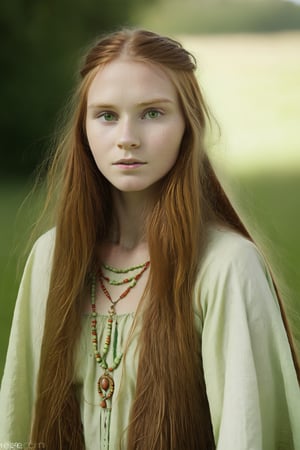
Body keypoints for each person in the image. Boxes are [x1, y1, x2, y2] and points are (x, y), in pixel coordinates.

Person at [0, 28, 299, 450]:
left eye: (153, 113)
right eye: (106, 115)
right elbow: (17, 428)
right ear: (83, 129)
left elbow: (249, 435)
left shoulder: (226, 266)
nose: (127, 137)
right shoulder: (51, 257)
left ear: (188, 126)